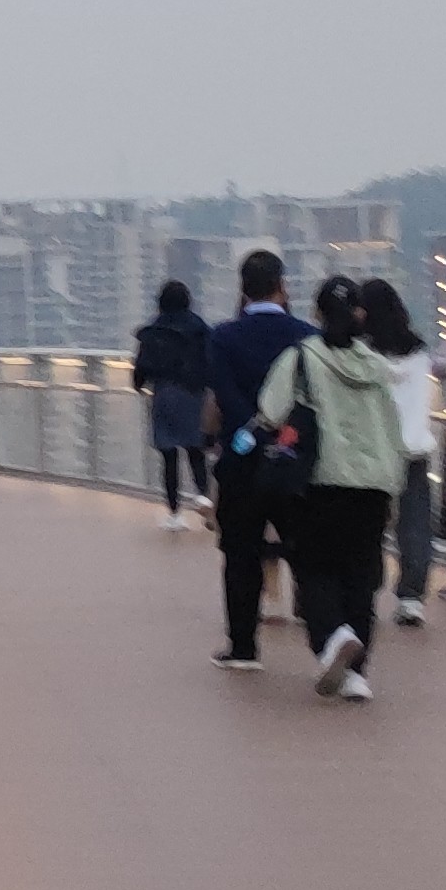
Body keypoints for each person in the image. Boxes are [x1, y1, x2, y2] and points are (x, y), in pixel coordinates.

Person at [250, 274, 414, 698]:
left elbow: (270, 413)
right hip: (374, 484)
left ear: (317, 314)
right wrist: (393, 484)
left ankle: (332, 639)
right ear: (360, 315)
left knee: (314, 567)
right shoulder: (376, 366)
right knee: (361, 576)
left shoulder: (301, 358)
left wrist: (244, 445)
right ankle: (358, 675)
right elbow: (392, 430)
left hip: (320, 481)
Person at [201, 253, 314, 667]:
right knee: (306, 550)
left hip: (241, 457)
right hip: (294, 457)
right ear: (282, 287)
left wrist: (251, 429)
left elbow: (222, 394)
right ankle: (329, 635)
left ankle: (244, 647)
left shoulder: (223, 337)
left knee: (240, 551)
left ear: (242, 289)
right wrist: (283, 432)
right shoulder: (306, 336)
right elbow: (308, 398)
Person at [359, 275, 439, 633]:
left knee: (368, 526)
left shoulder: (360, 353)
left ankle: (365, 593)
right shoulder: (418, 350)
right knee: (415, 525)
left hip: (373, 448)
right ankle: (411, 598)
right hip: (414, 447)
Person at [129, 279, 213, 527]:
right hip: (193, 395)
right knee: (196, 454)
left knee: (169, 457)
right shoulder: (199, 328)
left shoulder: (154, 330)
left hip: (164, 395)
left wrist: (139, 384)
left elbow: (141, 366)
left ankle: (174, 513)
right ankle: (207, 505)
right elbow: (210, 361)